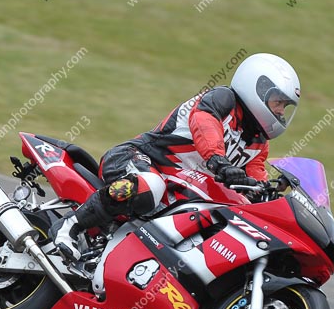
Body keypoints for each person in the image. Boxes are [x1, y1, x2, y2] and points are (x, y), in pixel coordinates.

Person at [53, 53, 300, 261]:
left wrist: (267, 196)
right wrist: (218, 160)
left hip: (178, 190)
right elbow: (204, 123)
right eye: (278, 102)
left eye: (284, 107)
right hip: (138, 159)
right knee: (150, 187)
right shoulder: (221, 101)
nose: (280, 111)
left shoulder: (259, 143)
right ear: (256, 87)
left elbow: (254, 180)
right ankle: (70, 225)